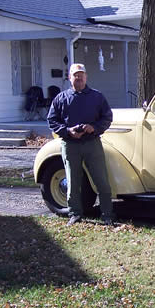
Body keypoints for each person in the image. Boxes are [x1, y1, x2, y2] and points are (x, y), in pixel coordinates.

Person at [47, 63, 115, 226]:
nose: (78, 78)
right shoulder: (61, 98)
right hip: (71, 145)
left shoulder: (97, 97)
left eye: (81, 74)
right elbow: (52, 120)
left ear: (86, 77)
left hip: (92, 143)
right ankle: (75, 214)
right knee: (73, 181)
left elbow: (107, 118)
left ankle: (107, 215)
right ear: (70, 78)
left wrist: (94, 128)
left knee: (101, 180)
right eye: (75, 75)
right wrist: (67, 131)